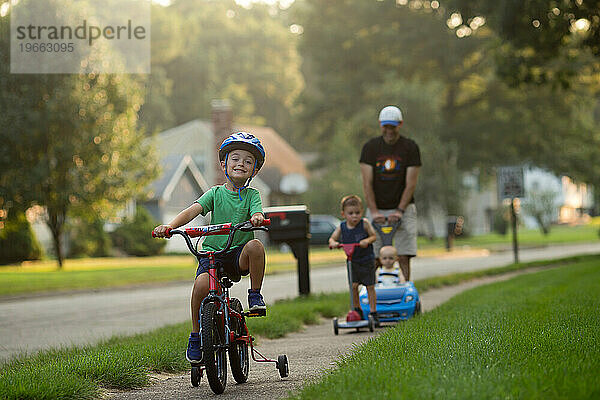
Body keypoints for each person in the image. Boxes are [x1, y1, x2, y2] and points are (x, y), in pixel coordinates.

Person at [153, 132, 267, 364]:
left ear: (254, 170)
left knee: (255, 246)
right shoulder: (214, 193)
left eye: (248, 161)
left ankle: (255, 295)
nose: (241, 164)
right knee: (200, 286)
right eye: (235, 159)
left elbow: (258, 211)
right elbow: (192, 210)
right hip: (212, 255)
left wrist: (256, 217)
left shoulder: (252, 195)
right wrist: (170, 226)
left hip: (237, 255)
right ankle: (196, 335)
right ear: (224, 164)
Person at [360, 105, 421, 282]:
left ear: (400, 125)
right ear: (380, 125)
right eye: (385, 126)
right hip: (377, 208)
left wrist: (400, 210)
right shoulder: (370, 148)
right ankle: (372, 292)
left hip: (403, 207)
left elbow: (411, 183)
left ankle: (406, 287)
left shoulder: (410, 147)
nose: (389, 131)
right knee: (375, 256)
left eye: (392, 127)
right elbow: (367, 183)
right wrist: (374, 211)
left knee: (403, 254)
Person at [328, 195, 378, 323]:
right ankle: (357, 309)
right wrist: (334, 243)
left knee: (370, 286)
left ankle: (373, 312)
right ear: (343, 214)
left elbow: (373, 236)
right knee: (353, 286)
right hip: (352, 262)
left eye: (357, 213)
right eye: (351, 213)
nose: (354, 216)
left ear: (362, 212)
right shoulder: (342, 227)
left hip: (366, 260)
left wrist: (366, 241)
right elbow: (332, 238)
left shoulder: (365, 223)